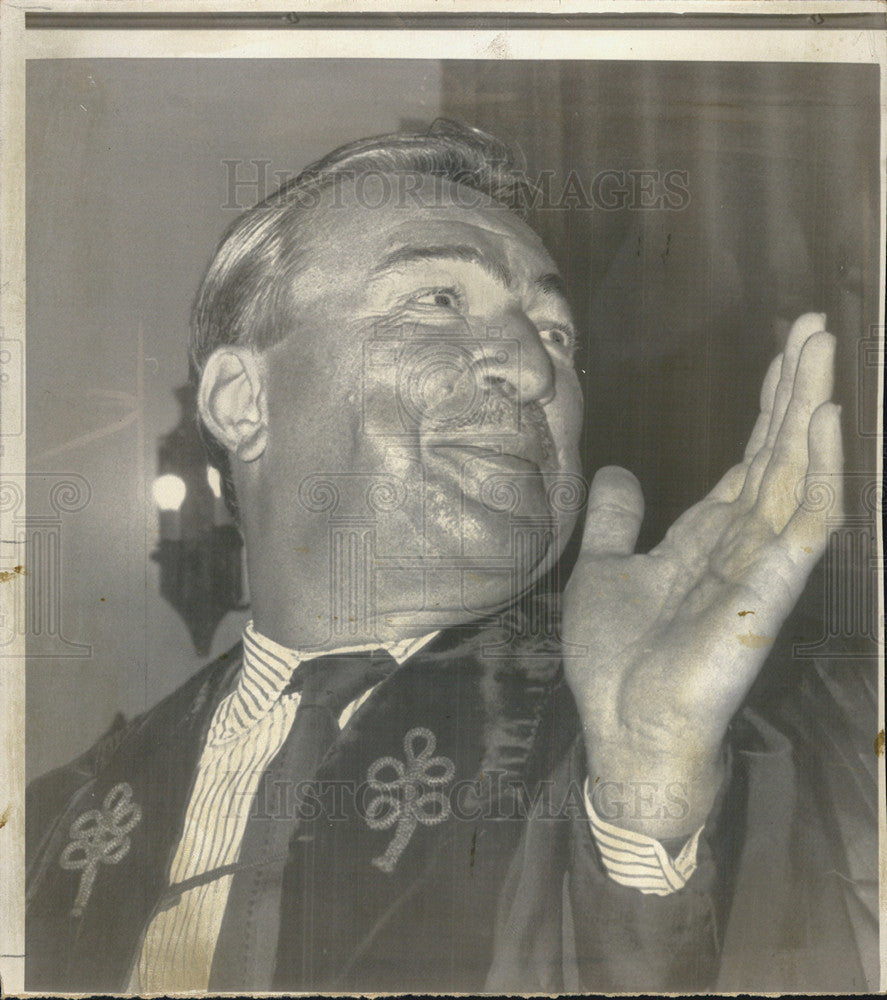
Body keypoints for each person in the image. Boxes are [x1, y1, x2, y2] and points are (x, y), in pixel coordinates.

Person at [25, 120, 858, 993]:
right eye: (438, 301)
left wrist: (648, 789)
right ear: (242, 400)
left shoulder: (732, 756)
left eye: (558, 333)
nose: (532, 368)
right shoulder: (53, 827)